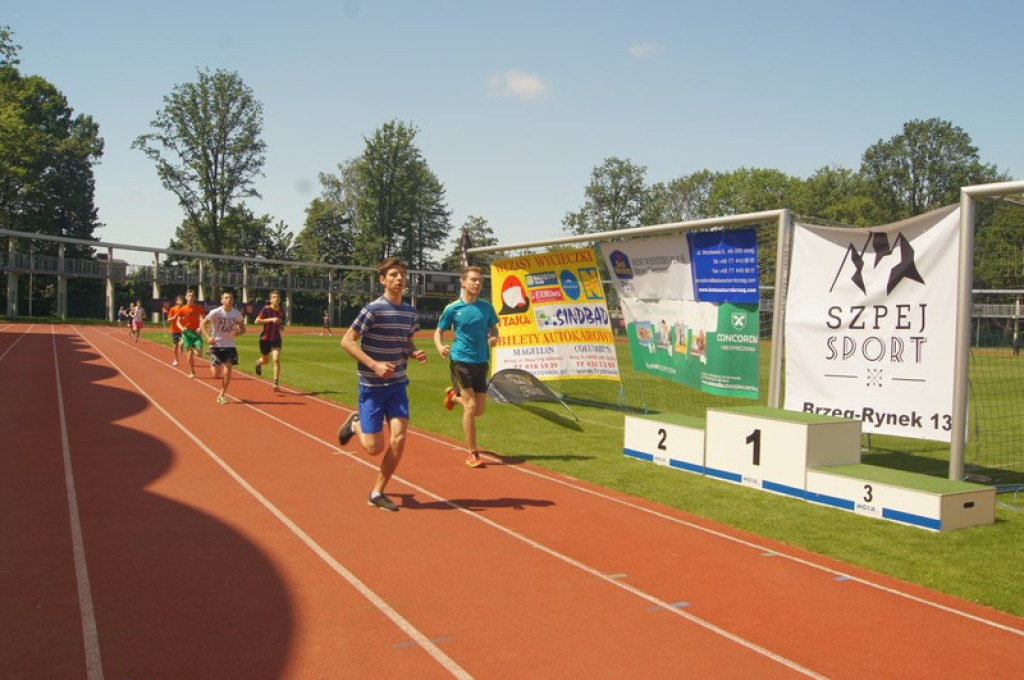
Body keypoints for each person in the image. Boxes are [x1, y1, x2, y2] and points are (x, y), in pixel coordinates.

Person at [337, 257, 427, 512]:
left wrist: (413, 352)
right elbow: (347, 341)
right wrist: (374, 364)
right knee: (373, 448)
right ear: (383, 280)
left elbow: (405, 342)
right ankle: (355, 424)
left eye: (402, 275)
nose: (399, 279)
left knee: (399, 438)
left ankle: (377, 492)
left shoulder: (410, 312)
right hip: (372, 387)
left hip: (398, 385)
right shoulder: (372, 310)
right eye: (394, 275)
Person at [434, 266, 500, 468]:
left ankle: (453, 397)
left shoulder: (487, 308)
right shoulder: (453, 308)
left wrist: (494, 338)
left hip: (481, 361)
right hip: (460, 360)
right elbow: (439, 331)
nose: (477, 283)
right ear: (463, 282)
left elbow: (494, 329)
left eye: (480, 280)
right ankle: (472, 453)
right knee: (470, 407)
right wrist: (439, 346)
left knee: (478, 410)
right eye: (473, 279)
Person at [202, 290, 246, 404]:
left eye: (231, 298)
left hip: (230, 346)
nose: (229, 300)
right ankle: (212, 359)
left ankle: (222, 395)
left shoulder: (236, 314)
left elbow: (243, 329)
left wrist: (238, 333)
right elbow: (202, 324)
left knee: (228, 370)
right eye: (226, 298)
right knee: (216, 374)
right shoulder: (215, 312)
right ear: (222, 300)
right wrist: (207, 337)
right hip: (216, 345)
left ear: (233, 300)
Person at [254, 290, 285, 391]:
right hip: (265, 339)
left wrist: (280, 326)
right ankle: (258, 362)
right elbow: (256, 321)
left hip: (276, 338)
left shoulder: (281, 311)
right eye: (274, 297)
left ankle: (275, 383)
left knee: (276, 359)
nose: (276, 299)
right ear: (270, 300)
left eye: (278, 297)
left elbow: (279, 322)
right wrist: (271, 319)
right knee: (265, 361)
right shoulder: (266, 309)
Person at [178, 288, 205, 378]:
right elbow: (178, 321)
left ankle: (184, 345)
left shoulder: (199, 308)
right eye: (189, 296)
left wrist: (200, 327)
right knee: (189, 353)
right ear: (186, 297)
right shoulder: (183, 309)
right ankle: (192, 372)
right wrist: (182, 328)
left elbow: (203, 319)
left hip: (196, 333)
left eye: (192, 296)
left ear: (195, 298)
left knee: (199, 354)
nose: (191, 297)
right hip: (187, 333)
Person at [167, 295, 185, 366]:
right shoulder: (173, 309)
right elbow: (168, 320)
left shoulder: (185, 309)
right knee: (175, 346)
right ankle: (175, 359)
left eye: (181, 300)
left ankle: (181, 344)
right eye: (179, 300)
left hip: (183, 329)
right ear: (176, 301)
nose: (180, 301)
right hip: (174, 330)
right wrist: (174, 317)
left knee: (183, 341)